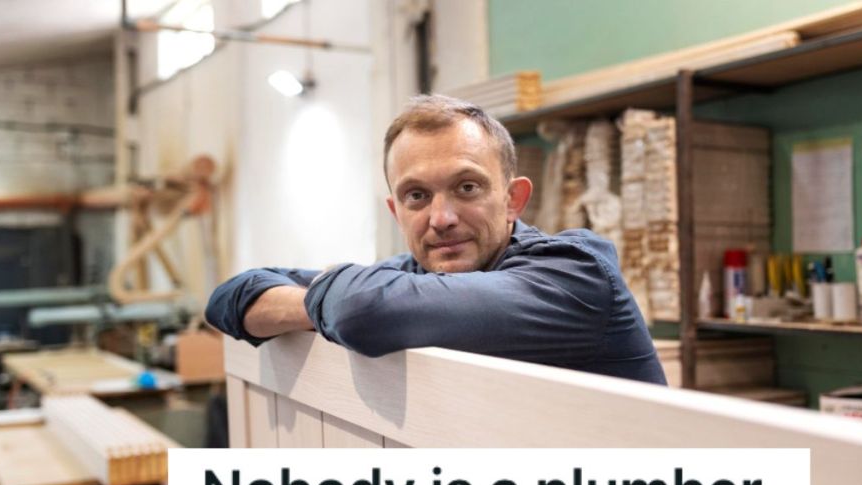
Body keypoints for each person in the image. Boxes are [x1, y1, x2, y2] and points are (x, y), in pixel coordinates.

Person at [205, 94, 666, 384]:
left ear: (513, 200)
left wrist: (319, 299)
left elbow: (363, 310)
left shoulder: (573, 275)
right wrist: (328, 300)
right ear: (396, 212)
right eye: (416, 196)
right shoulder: (410, 274)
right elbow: (230, 298)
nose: (440, 218)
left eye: (467, 187)